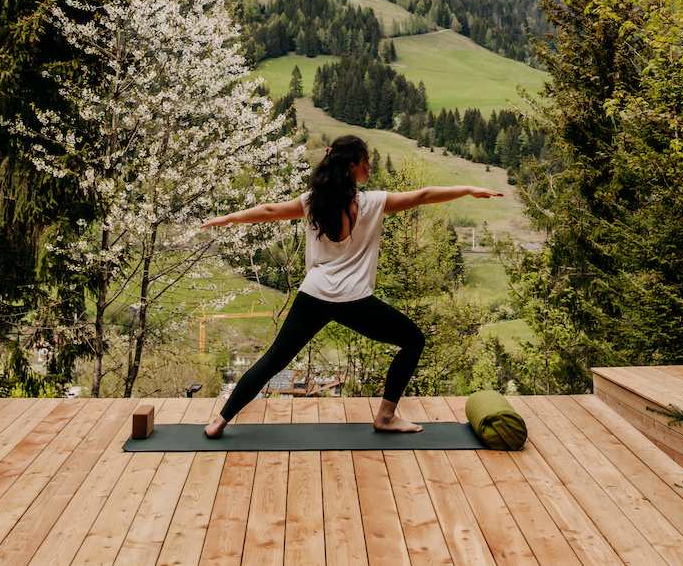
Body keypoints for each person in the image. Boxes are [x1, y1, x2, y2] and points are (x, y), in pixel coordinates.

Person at [199, 133, 503, 436]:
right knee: (413, 340)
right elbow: (423, 195)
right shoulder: (373, 203)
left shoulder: (311, 203)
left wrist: (227, 219)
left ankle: (220, 421)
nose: (369, 167)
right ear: (351, 166)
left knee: (273, 359)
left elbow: (268, 211)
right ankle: (386, 416)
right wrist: (467, 189)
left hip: (314, 295)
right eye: (366, 162)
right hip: (354, 301)